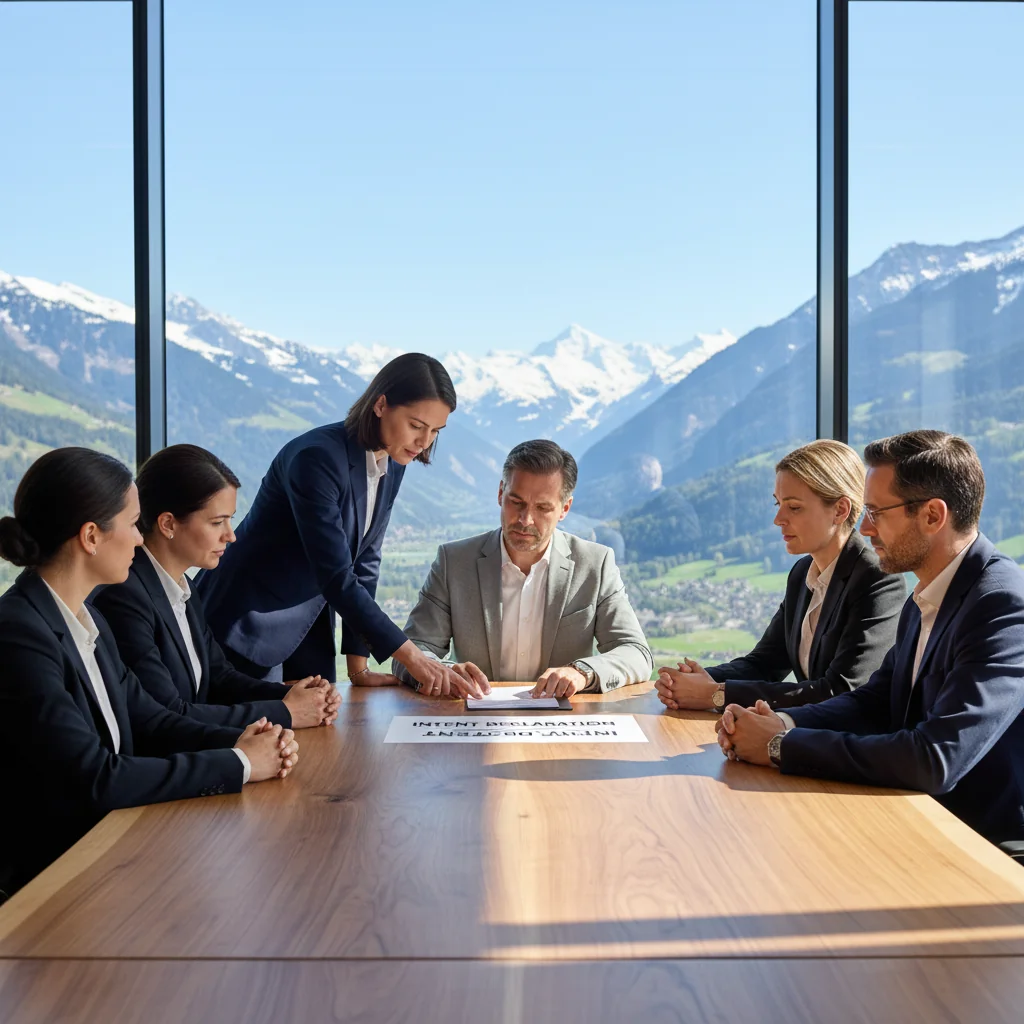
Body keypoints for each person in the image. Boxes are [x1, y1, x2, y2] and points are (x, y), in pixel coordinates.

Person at [0, 448, 298, 898]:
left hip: (110, 854)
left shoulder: (87, 619)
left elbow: (150, 719)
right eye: (132, 524)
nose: (140, 541)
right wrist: (240, 763)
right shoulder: (18, 634)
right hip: (51, 885)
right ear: (91, 536)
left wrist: (252, 741)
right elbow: (95, 778)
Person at [716, 430, 1024, 850]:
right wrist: (782, 723)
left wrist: (778, 746)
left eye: (877, 513)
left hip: (980, 846)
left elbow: (935, 757)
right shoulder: (928, 591)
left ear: (933, 515)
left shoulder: (1001, 604)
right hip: (914, 817)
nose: (864, 527)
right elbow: (875, 700)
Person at [195, 353, 483, 698]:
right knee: (265, 741)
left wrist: (358, 665)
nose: (425, 442)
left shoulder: (393, 459)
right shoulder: (316, 459)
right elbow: (337, 575)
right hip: (244, 625)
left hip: (306, 626)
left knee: (323, 735)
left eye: (436, 431)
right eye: (417, 425)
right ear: (380, 405)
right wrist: (412, 657)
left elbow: (366, 559)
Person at [93, 445, 340, 731]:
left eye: (230, 520)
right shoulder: (125, 598)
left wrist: (295, 697)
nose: (230, 535)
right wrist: (285, 712)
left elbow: (219, 677)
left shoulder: (183, 587)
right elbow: (168, 714)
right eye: (217, 522)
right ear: (168, 524)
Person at [656, 439, 905, 714]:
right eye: (778, 504)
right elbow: (764, 664)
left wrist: (715, 694)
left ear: (840, 510)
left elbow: (840, 690)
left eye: (794, 507)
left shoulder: (878, 580)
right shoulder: (802, 574)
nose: (778, 519)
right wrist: (693, 680)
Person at [391, 439, 653, 697]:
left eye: (542, 508)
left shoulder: (595, 564)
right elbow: (412, 651)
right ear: (500, 493)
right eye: (516, 502)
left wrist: (582, 673)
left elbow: (635, 652)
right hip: (473, 723)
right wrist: (443, 672)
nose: (525, 519)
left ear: (565, 508)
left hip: (563, 725)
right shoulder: (454, 561)